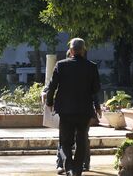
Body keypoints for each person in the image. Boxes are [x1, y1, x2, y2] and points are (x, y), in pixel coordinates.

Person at [45, 38, 101, 176]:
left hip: (66, 110)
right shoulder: (92, 66)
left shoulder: (61, 65)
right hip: (84, 111)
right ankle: (77, 170)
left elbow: (52, 87)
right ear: (83, 50)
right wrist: (97, 106)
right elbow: (95, 89)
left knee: (65, 142)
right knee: (81, 140)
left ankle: (69, 168)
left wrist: (49, 103)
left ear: (70, 51)